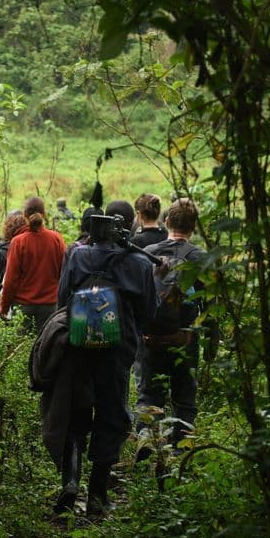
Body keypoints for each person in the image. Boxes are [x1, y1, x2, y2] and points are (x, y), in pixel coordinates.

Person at [43, 201, 158, 517]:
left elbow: (63, 299)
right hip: (117, 353)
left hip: (77, 348)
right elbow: (150, 310)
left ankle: (70, 482)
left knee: (76, 413)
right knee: (111, 418)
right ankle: (97, 497)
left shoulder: (77, 255)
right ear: (129, 226)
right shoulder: (139, 263)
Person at [133, 197, 217, 460]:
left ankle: (146, 436)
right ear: (194, 226)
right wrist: (211, 345)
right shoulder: (201, 258)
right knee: (184, 399)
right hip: (185, 338)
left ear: (167, 221)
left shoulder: (148, 254)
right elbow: (211, 307)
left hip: (150, 339)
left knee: (148, 393)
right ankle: (179, 457)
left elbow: (136, 298)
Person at [0, 197, 66, 332]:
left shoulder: (18, 242)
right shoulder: (56, 239)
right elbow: (64, 272)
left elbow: (11, 279)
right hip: (50, 306)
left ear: (24, 215)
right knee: (45, 349)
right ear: (44, 214)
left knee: (22, 349)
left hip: (24, 307)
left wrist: (4, 307)